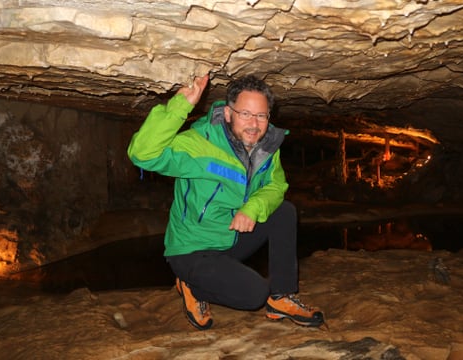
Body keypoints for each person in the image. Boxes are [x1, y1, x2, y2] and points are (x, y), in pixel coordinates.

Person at [127, 73, 324, 330]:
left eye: (261, 115)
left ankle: (281, 298)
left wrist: (252, 208)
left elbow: (277, 186)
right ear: (229, 114)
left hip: (229, 237)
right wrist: (178, 107)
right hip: (192, 249)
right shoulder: (201, 143)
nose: (254, 124)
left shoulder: (266, 148)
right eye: (245, 114)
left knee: (284, 212)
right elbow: (142, 155)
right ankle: (191, 286)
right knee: (253, 295)